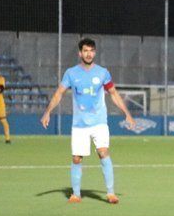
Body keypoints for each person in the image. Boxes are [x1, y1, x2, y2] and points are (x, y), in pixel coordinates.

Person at [40, 38, 135, 204]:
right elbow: (59, 93)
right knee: (77, 158)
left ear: (95, 52)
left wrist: (126, 113)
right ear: (80, 53)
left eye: (91, 50)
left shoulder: (103, 72)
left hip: (99, 122)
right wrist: (48, 112)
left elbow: (113, 93)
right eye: (85, 50)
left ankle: (111, 193)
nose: (88, 54)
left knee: (103, 152)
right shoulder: (71, 73)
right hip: (79, 125)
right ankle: (76, 194)